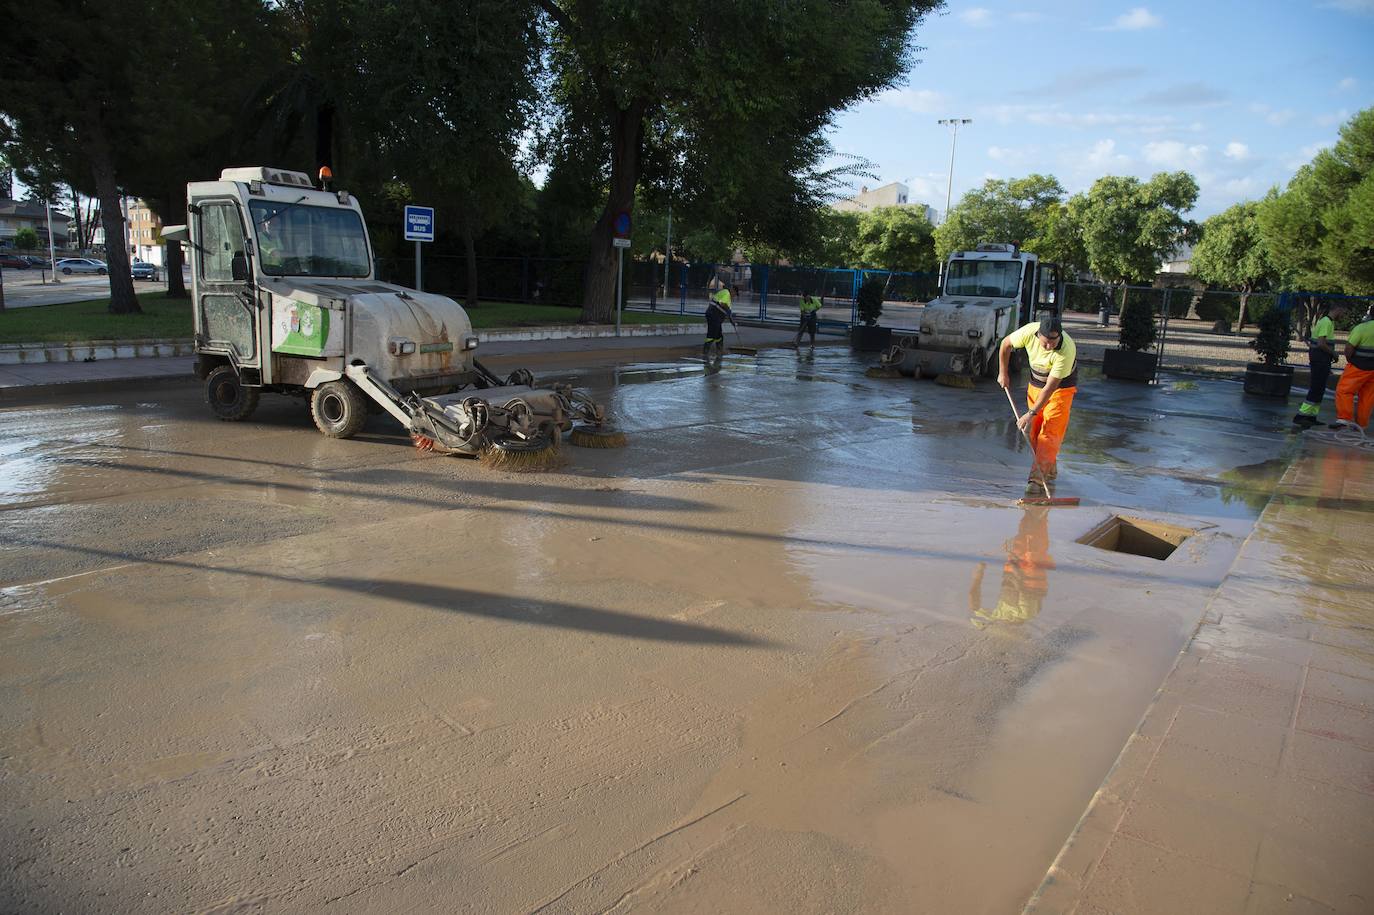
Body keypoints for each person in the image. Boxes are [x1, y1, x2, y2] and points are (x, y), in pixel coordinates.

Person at [997, 313, 1078, 488]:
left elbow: (1051, 387)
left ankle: (1036, 480)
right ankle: (1049, 467)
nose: (1049, 346)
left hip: (1060, 389)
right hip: (1035, 384)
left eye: (1053, 342)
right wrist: (1003, 372)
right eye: (1045, 342)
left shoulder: (1066, 349)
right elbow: (1005, 344)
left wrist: (1030, 413)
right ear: (1037, 335)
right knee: (1033, 433)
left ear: (1060, 337)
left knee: (1049, 433)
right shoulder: (1028, 332)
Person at [969, 506, 1053, 629]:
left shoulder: (997, 616)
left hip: (1012, 576)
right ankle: (1040, 515)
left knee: (1019, 542)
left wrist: (978, 575)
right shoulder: (1026, 614)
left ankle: (1030, 513)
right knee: (1033, 547)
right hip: (1029, 579)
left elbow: (974, 604)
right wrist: (1014, 566)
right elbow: (1024, 590)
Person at [1295, 302, 1342, 427]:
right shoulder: (1327, 322)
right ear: (1337, 309)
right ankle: (1301, 415)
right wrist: (1333, 353)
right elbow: (1321, 343)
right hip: (1320, 359)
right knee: (1316, 387)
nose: (1342, 315)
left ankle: (1311, 416)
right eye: (1342, 312)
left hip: (1321, 359)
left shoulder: (1328, 322)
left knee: (1319, 388)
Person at [1332, 310, 1374, 433]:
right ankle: (1361, 425)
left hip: (1358, 366)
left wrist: (1351, 360)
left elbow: (1349, 347)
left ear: (1370, 314)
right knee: (1367, 397)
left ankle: (1344, 419)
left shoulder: (1362, 328)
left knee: (1344, 391)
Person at [704, 286, 736, 362]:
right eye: (735, 294)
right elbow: (722, 303)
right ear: (732, 290)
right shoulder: (726, 293)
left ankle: (719, 351)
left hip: (714, 316)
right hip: (714, 315)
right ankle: (705, 352)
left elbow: (727, 310)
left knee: (719, 336)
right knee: (712, 335)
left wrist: (731, 320)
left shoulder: (727, 296)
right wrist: (728, 310)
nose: (734, 296)